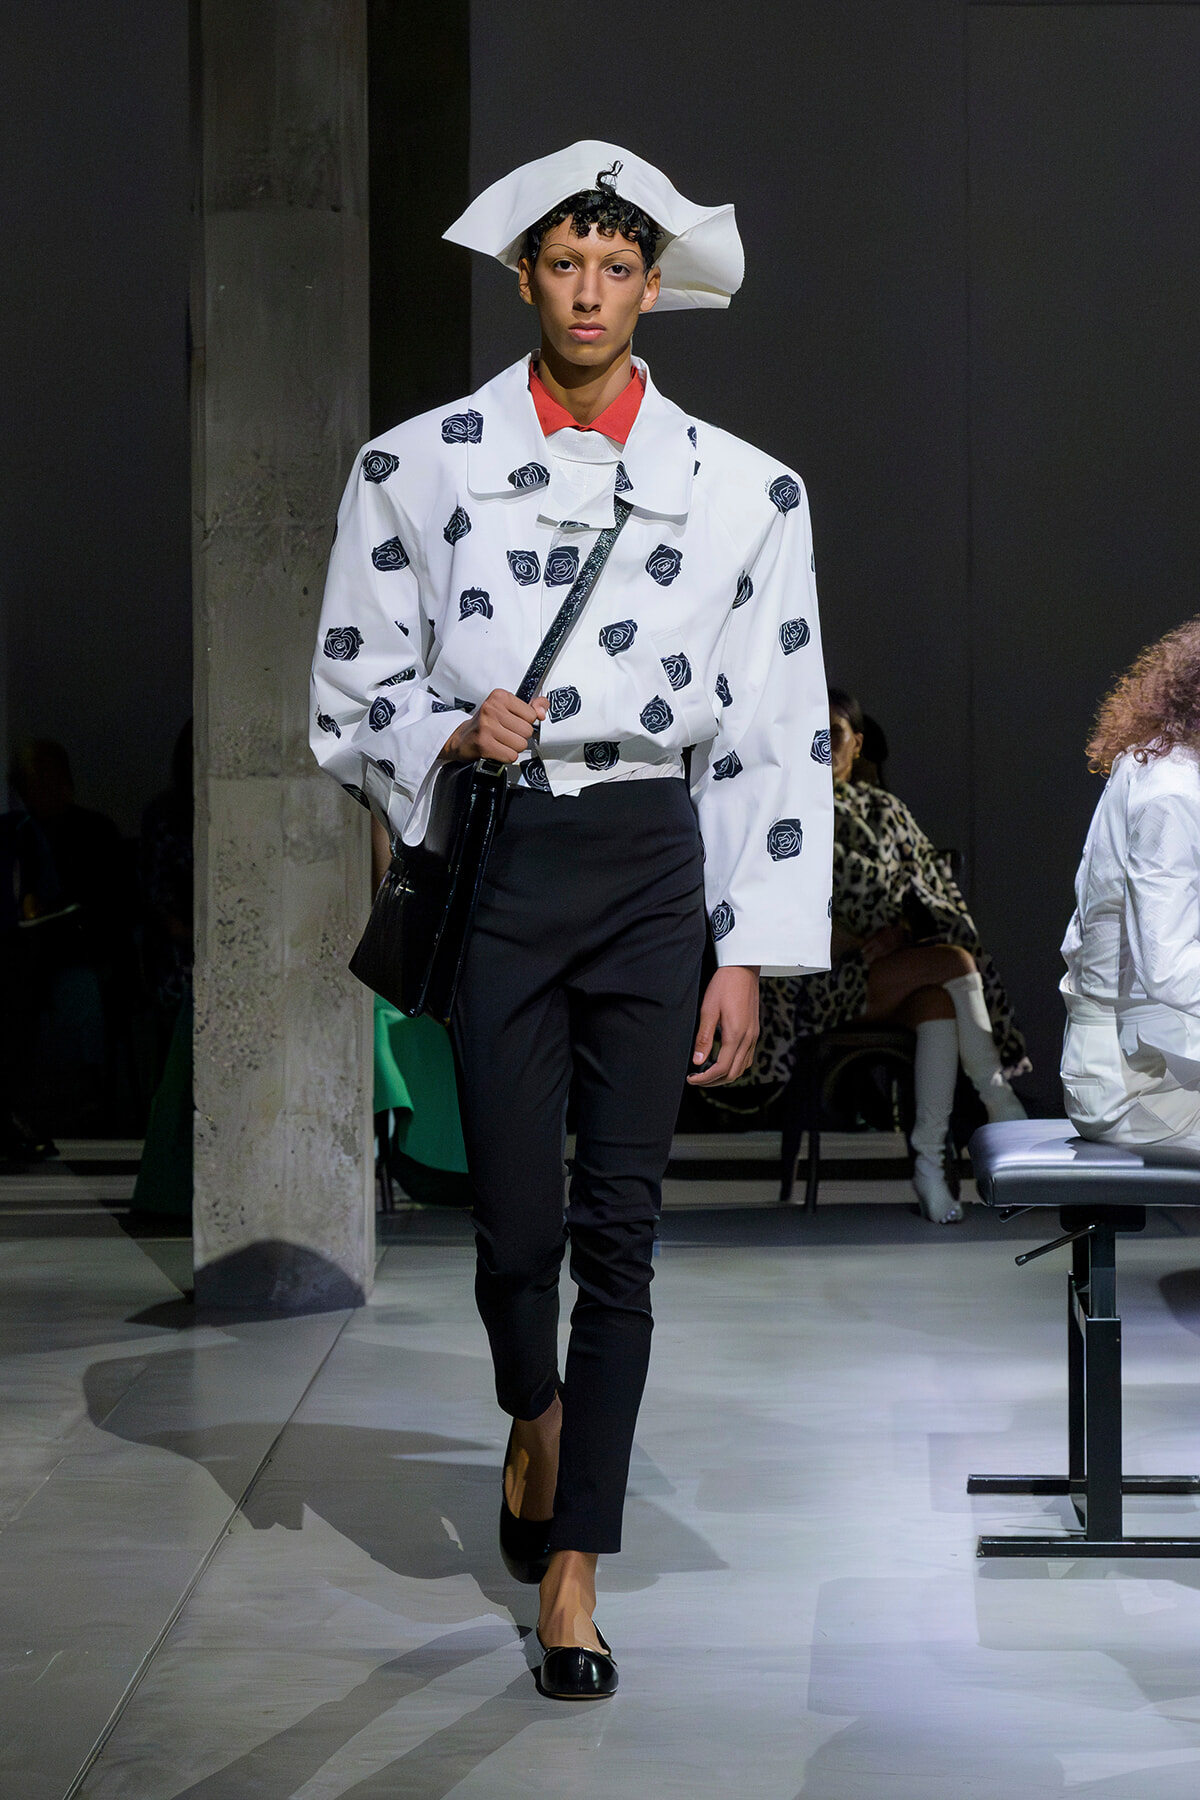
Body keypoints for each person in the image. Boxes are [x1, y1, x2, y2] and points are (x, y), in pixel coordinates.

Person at [311, 141, 833, 1697]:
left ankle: (576, 1574)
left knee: (620, 1230)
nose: (590, 292)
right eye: (564, 264)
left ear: (653, 284)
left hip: (653, 860)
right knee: (515, 1228)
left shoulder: (749, 489)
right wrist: (446, 730)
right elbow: (348, 685)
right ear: (524, 276)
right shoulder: (415, 465)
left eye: (617, 267)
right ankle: (533, 1416)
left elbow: (776, 727)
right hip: (506, 857)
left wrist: (746, 945)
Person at [755, 687, 1027, 1223]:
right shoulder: (789, 807)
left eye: (835, 734)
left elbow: (932, 894)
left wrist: (900, 930)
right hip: (816, 981)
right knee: (955, 963)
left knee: (938, 1004)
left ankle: (928, 1166)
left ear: (857, 743)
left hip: (885, 975)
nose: (824, 743)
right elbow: (788, 902)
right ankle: (1000, 1103)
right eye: (814, 733)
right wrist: (860, 937)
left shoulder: (887, 811)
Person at [1061, 619, 1200, 1150]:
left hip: (1149, 1059)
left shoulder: (1159, 757)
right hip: (1137, 1087)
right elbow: (1167, 967)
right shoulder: (1174, 795)